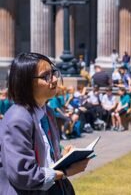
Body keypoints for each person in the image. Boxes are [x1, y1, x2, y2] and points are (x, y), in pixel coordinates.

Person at [0, 52, 90, 194]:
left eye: (53, 73)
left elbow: (45, 158)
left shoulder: (46, 111)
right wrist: (65, 171)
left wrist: (62, 157)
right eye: (45, 76)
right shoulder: (18, 119)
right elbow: (23, 175)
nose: (54, 79)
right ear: (26, 82)